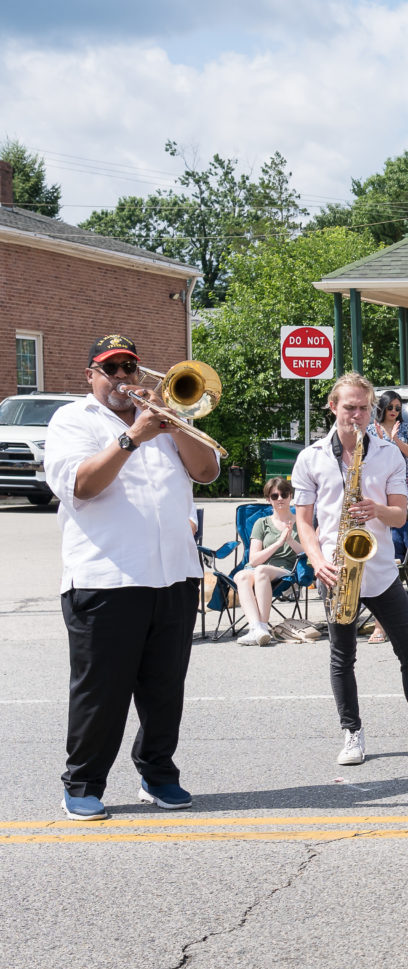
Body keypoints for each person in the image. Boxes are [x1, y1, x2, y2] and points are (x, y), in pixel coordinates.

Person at [45, 334, 221, 820]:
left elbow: (207, 472)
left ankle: (158, 775)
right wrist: (132, 438)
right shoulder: (72, 420)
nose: (123, 378)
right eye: (111, 369)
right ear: (90, 376)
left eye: (130, 368)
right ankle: (81, 784)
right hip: (105, 579)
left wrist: (174, 425)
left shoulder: (167, 419)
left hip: (175, 575)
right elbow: (80, 485)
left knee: (165, 689)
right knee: (101, 692)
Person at [293, 372, 408, 766]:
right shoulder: (310, 458)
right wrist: (317, 560)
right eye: (348, 407)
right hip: (336, 569)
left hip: (380, 568)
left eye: (362, 408)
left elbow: (397, 516)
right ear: (332, 406)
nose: (356, 416)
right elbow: (304, 522)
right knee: (343, 656)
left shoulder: (388, 453)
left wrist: (377, 509)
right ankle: (351, 733)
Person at [234, 477, 301, 646]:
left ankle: (262, 627)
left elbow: (309, 552)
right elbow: (253, 559)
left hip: (285, 569)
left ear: (290, 496)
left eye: (284, 494)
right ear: (268, 499)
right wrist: (278, 543)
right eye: (274, 496)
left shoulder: (300, 522)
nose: (280, 499)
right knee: (241, 576)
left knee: (262, 570)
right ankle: (256, 629)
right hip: (258, 567)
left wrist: (290, 541)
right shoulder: (261, 523)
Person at [373, 389, 408, 460]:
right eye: (390, 407)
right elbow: (367, 456)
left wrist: (396, 439)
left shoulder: (407, 428)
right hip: (381, 470)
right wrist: (380, 440)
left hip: (402, 470)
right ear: (383, 407)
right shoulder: (372, 429)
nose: (393, 410)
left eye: (397, 408)